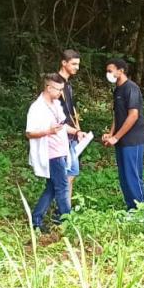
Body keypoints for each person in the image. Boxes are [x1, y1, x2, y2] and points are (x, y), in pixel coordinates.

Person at [25, 74, 80, 232]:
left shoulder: (56, 103)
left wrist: (76, 132)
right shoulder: (37, 107)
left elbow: (63, 126)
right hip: (50, 153)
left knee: (51, 188)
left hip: (62, 150)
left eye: (62, 89)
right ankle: (68, 222)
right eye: (58, 89)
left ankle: (36, 218)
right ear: (48, 88)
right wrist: (48, 131)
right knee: (62, 187)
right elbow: (29, 133)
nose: (60, 93)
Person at [102, 58, 144, 210]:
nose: (108, 74)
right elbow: (117, 115)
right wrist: (110, 134)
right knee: (124, 177)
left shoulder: (131, 88)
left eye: (110, 71)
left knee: (133, 176)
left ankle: (141, 209)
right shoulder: (117, 90)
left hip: (133, 140)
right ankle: (131, 208)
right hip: (121, 140)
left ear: (120, 71)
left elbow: (133, 115)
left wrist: (116, 137)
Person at [57, 50, 85, 197]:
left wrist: (78, 130)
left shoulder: (67, 85)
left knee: (71, 173)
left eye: (78, 64)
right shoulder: (56, 83)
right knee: (68, 173)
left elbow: (71, 109)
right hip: (62, 134)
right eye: (74, 64)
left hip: (72, 133)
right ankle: (61, 211)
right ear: (64, 63)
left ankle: (65, 210)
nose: (77, 67)